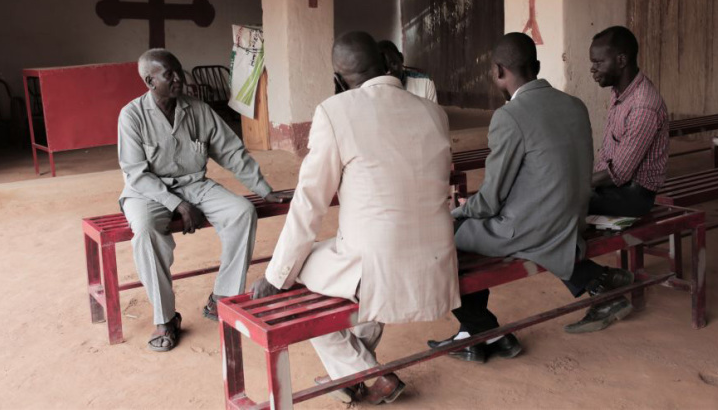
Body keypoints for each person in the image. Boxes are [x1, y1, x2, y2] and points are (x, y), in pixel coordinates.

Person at [250, 31, 460, 405]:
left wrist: (274, 275)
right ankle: (352, 373)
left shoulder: (336, 111)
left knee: (296, 273)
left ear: (338, 77)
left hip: (378, 262)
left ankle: (364, 374)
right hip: (436, 256)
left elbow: (309, 201)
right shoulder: (433, 112)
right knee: (355, 263)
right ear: (386, 63)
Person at [428, 33, 636, 363]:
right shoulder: (574, 105)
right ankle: (591, 279)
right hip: (572, 219)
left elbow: (492, 199)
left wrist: (457, 213)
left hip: (532, 227)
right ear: (536, 67)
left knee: (441, 237)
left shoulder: (509, 117)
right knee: (475, 224)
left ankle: (480, 329)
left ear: (498, 71)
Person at [118, 49, 283, 352]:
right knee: (145, 231)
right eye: (170, 75)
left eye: (180, 71)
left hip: (195, 185)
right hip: (148, 192)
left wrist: (262, 188)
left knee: (242, 212)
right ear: (149, 80)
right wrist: (175, 204)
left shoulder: (198, 110)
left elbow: (231, 151)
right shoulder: (132, 115)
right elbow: (136, 174)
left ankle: (222, 296)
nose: (180, 79)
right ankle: (165, 318)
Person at [589, 26, 669, 217]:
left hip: (633, 196)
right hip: (615, 188)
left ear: (621, 60)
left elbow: (618, 173)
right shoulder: (620, 91)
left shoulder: (643, 106)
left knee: (560, 205)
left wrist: (577, 184)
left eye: (599, 62)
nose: (593, 69)